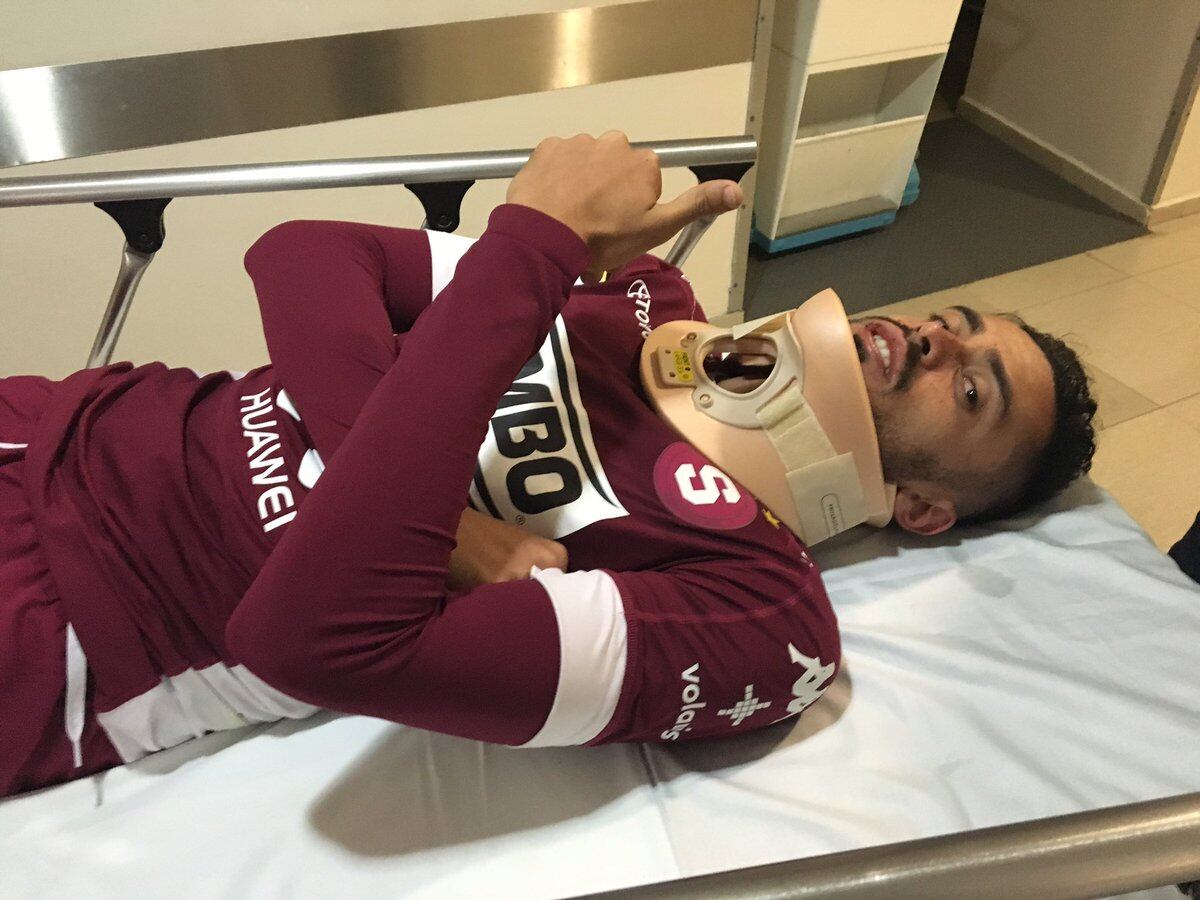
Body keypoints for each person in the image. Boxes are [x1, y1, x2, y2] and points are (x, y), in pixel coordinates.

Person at [0, 132, 1096, 797]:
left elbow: (310, 636)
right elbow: (303, 256)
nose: (936, 340)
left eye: (974, 391)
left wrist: (528, 251)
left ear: (924, 508)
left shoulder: (766, 615)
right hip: (61, 417)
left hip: (77, 625)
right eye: (955, 323)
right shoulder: (651, 297)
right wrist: (445, 524)